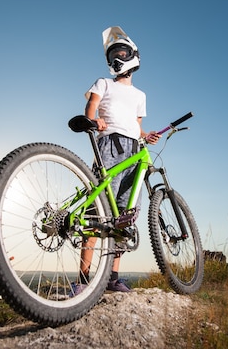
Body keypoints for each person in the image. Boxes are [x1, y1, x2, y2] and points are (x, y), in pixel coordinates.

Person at [74, 26, 160, 294]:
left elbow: (136, 124)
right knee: (96, 212)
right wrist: (94, 120)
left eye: (122, 52)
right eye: (112, 55)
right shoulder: (104, 82)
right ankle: (83, 280)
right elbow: (92, 106)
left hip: (134, 149)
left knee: (124, 215)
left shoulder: (140, 95)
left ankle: (112, 278)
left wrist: (147, 135)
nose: (117, 58)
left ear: (134, 56)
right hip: (109, 143)